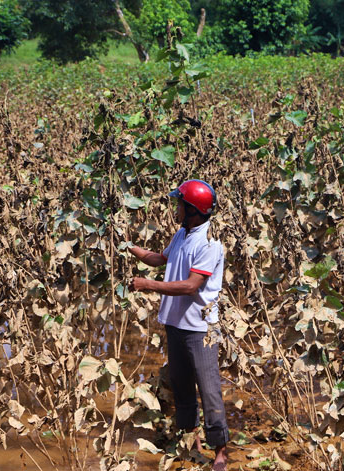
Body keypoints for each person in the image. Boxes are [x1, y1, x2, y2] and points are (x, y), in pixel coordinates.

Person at [128, 179, 229, 471]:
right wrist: (129, 246)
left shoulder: (209, 243)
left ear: (192, 209)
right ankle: (191, 444)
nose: (175, 209)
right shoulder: (182, 234)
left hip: (201, 328)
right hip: (176, 324)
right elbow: (159, 258)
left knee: (209, 390)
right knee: (182, 387)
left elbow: (190, 286)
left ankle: (220, 450)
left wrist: (148, 285)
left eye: (179, 205)